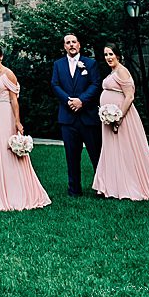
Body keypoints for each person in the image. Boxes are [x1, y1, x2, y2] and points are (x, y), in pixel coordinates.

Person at [92, 44, 149, 202]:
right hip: (109, 119)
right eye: (106, 54)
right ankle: (112, 187)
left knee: (127, 151)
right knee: (112, 150)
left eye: (111, 54)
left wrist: (119, 117)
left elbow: (129, 96)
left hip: (123, 118)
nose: (108, 57)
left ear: (118, 55)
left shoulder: (122, 71)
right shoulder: (113, 72)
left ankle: (132, 185)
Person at [0, 43, 50, 212]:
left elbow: (14, 99)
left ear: (1, 56)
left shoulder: (8, 73)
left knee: (7, 152)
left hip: (5, 115)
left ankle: (14, 193)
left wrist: (17, 122)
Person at [50, 31, 102, 197]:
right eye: (68, 42)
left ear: (79, 45)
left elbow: (95, 84)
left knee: (96, 154)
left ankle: (101, 187)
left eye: (74, 42)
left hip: (88, 116)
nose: (71, 45)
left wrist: (81, 100)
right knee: (71, 155)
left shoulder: (90, 63)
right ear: (64, 46)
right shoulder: (58, 64)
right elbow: (55, 84)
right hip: (68, 118)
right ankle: (74, 189)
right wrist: (68, 101)